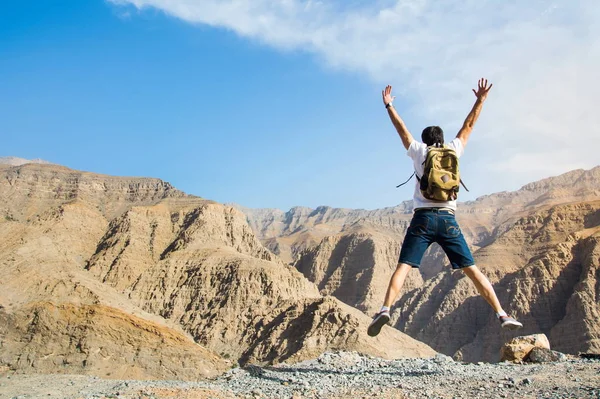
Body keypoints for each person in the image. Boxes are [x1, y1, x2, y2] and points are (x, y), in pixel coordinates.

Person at [367, 78, 523, 337]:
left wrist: (389, 106)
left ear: (425, 140)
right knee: (471, 270)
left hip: (422, 219)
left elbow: (401, 129)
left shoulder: (418, 151)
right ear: (441, 139)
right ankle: (502, 314)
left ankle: (384, 309)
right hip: (448, 219)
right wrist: (480, 99)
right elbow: (469, 125)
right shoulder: (453, 149)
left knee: (404, 266)